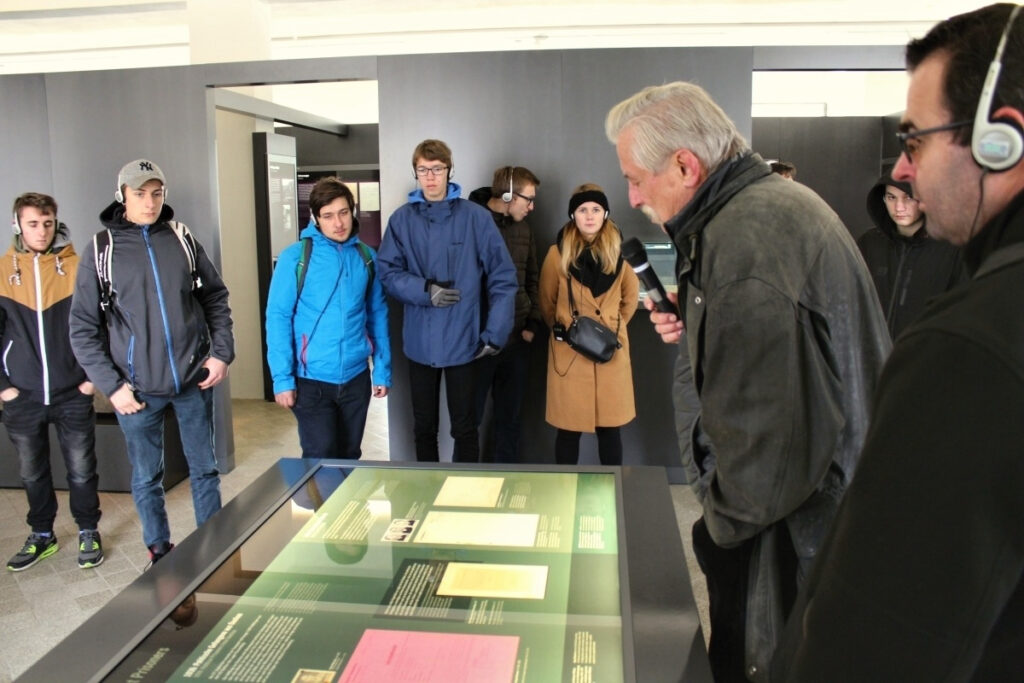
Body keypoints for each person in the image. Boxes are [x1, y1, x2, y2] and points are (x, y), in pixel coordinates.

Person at [605, 82, 890, 682]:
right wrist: (701, 329)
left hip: (788, 542)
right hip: (824, 524)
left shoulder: (744, 248)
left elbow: (766, 453)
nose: (632, 197)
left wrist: (718, 527)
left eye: (636, 179)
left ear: (685, 166)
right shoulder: (764, 212)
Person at [772, 5, 1024, 681]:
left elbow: (876, 639)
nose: (904, 172)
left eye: (915, 141)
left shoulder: (968, 347)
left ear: (1002, 140)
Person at [69, 159, 234, 566]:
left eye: (156, 193)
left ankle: (213, 547)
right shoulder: (101, 249)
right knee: (147, 477)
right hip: (136, 390)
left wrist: (220, 354)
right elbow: (82, 328)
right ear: (122, 196)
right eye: (140, 194)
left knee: (205, 470)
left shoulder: (181, 238)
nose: (150, 202)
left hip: (193, 379)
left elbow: (215, 297)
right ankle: (159, 550)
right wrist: (113, 387)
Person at [376, 140, 517, 463]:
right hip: (419, 342)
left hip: (464, 341)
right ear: (415, 172)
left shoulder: (475, 218)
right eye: (423, 170)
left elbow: (503, 277)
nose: (430, 177)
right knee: (424, 428)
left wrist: (495, 333)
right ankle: (428, 488)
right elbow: (388, 271)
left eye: (437, 169)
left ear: (449, 171)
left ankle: (464, 489)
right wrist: (425, 291)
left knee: (465, 428)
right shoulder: (402, 220)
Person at [1, 192, 103, 571]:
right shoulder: (2, 271)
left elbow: (100, 326)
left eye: (47, 223)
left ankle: (88, 529)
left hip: (73, 392)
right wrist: (4, 388)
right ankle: (42, 534)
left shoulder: (78, 268)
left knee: (82, 468)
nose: (41, 231)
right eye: (33, 224)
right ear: (17, 225)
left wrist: (91, 379)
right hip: (22, 396)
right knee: (32, 472)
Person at [265, 176, 390, 459]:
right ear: (315, 218)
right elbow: (278, 318)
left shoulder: (366, 257)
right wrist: (282, 379)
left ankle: (345, 492)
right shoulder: (295, 257)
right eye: (328, 216)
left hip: (356, 378)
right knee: (320, 457)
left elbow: (377, 316)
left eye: (343, 212)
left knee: (350, 455)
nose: (338, 223)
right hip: (311, 380)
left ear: (352, 211)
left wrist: (382, 370)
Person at [539, 184, 638, 466]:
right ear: (573, 215)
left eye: (596, 209)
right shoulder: (557, 254)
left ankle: (614, 487)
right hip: (569, 353)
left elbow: (630, 300)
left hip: (610, 350)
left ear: (605, 213)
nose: (590, 216)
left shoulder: (621, 253)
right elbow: (547, 302)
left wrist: (608, 329)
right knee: (567, 430)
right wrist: (571, 331)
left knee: (611, 430)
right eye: (583, 210)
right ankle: (565, 488)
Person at [467, 166, 544, 463]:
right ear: (508, 195)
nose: (532, 206)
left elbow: (533, 278)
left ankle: (505, 478)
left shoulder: (525, 229)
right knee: (468, 421)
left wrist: (532, 323)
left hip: (516, 342)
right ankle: (467, 481)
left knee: (510, 421)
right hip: (478, 344)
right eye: (529, 199)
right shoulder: (471, 224)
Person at [858, 172, 964, 339]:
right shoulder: (869, 244)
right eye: (891, 197)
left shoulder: (952, 249)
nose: (899, 207)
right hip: (874, 351)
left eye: (908, 197)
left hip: (925, 351)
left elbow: (961, 311)